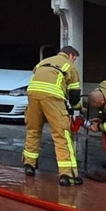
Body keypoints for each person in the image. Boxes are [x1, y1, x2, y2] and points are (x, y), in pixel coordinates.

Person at [23, 45, 83, 186]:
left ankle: (29, 166)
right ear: (71, 56)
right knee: (61, 135)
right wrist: (78, 108)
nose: (74, 61)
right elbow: (74, 96)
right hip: (52, 98)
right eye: (74, 59)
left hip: (32, 95)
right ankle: (67, 175)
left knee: (33, 130)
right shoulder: (70, 67)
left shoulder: (43, 62)